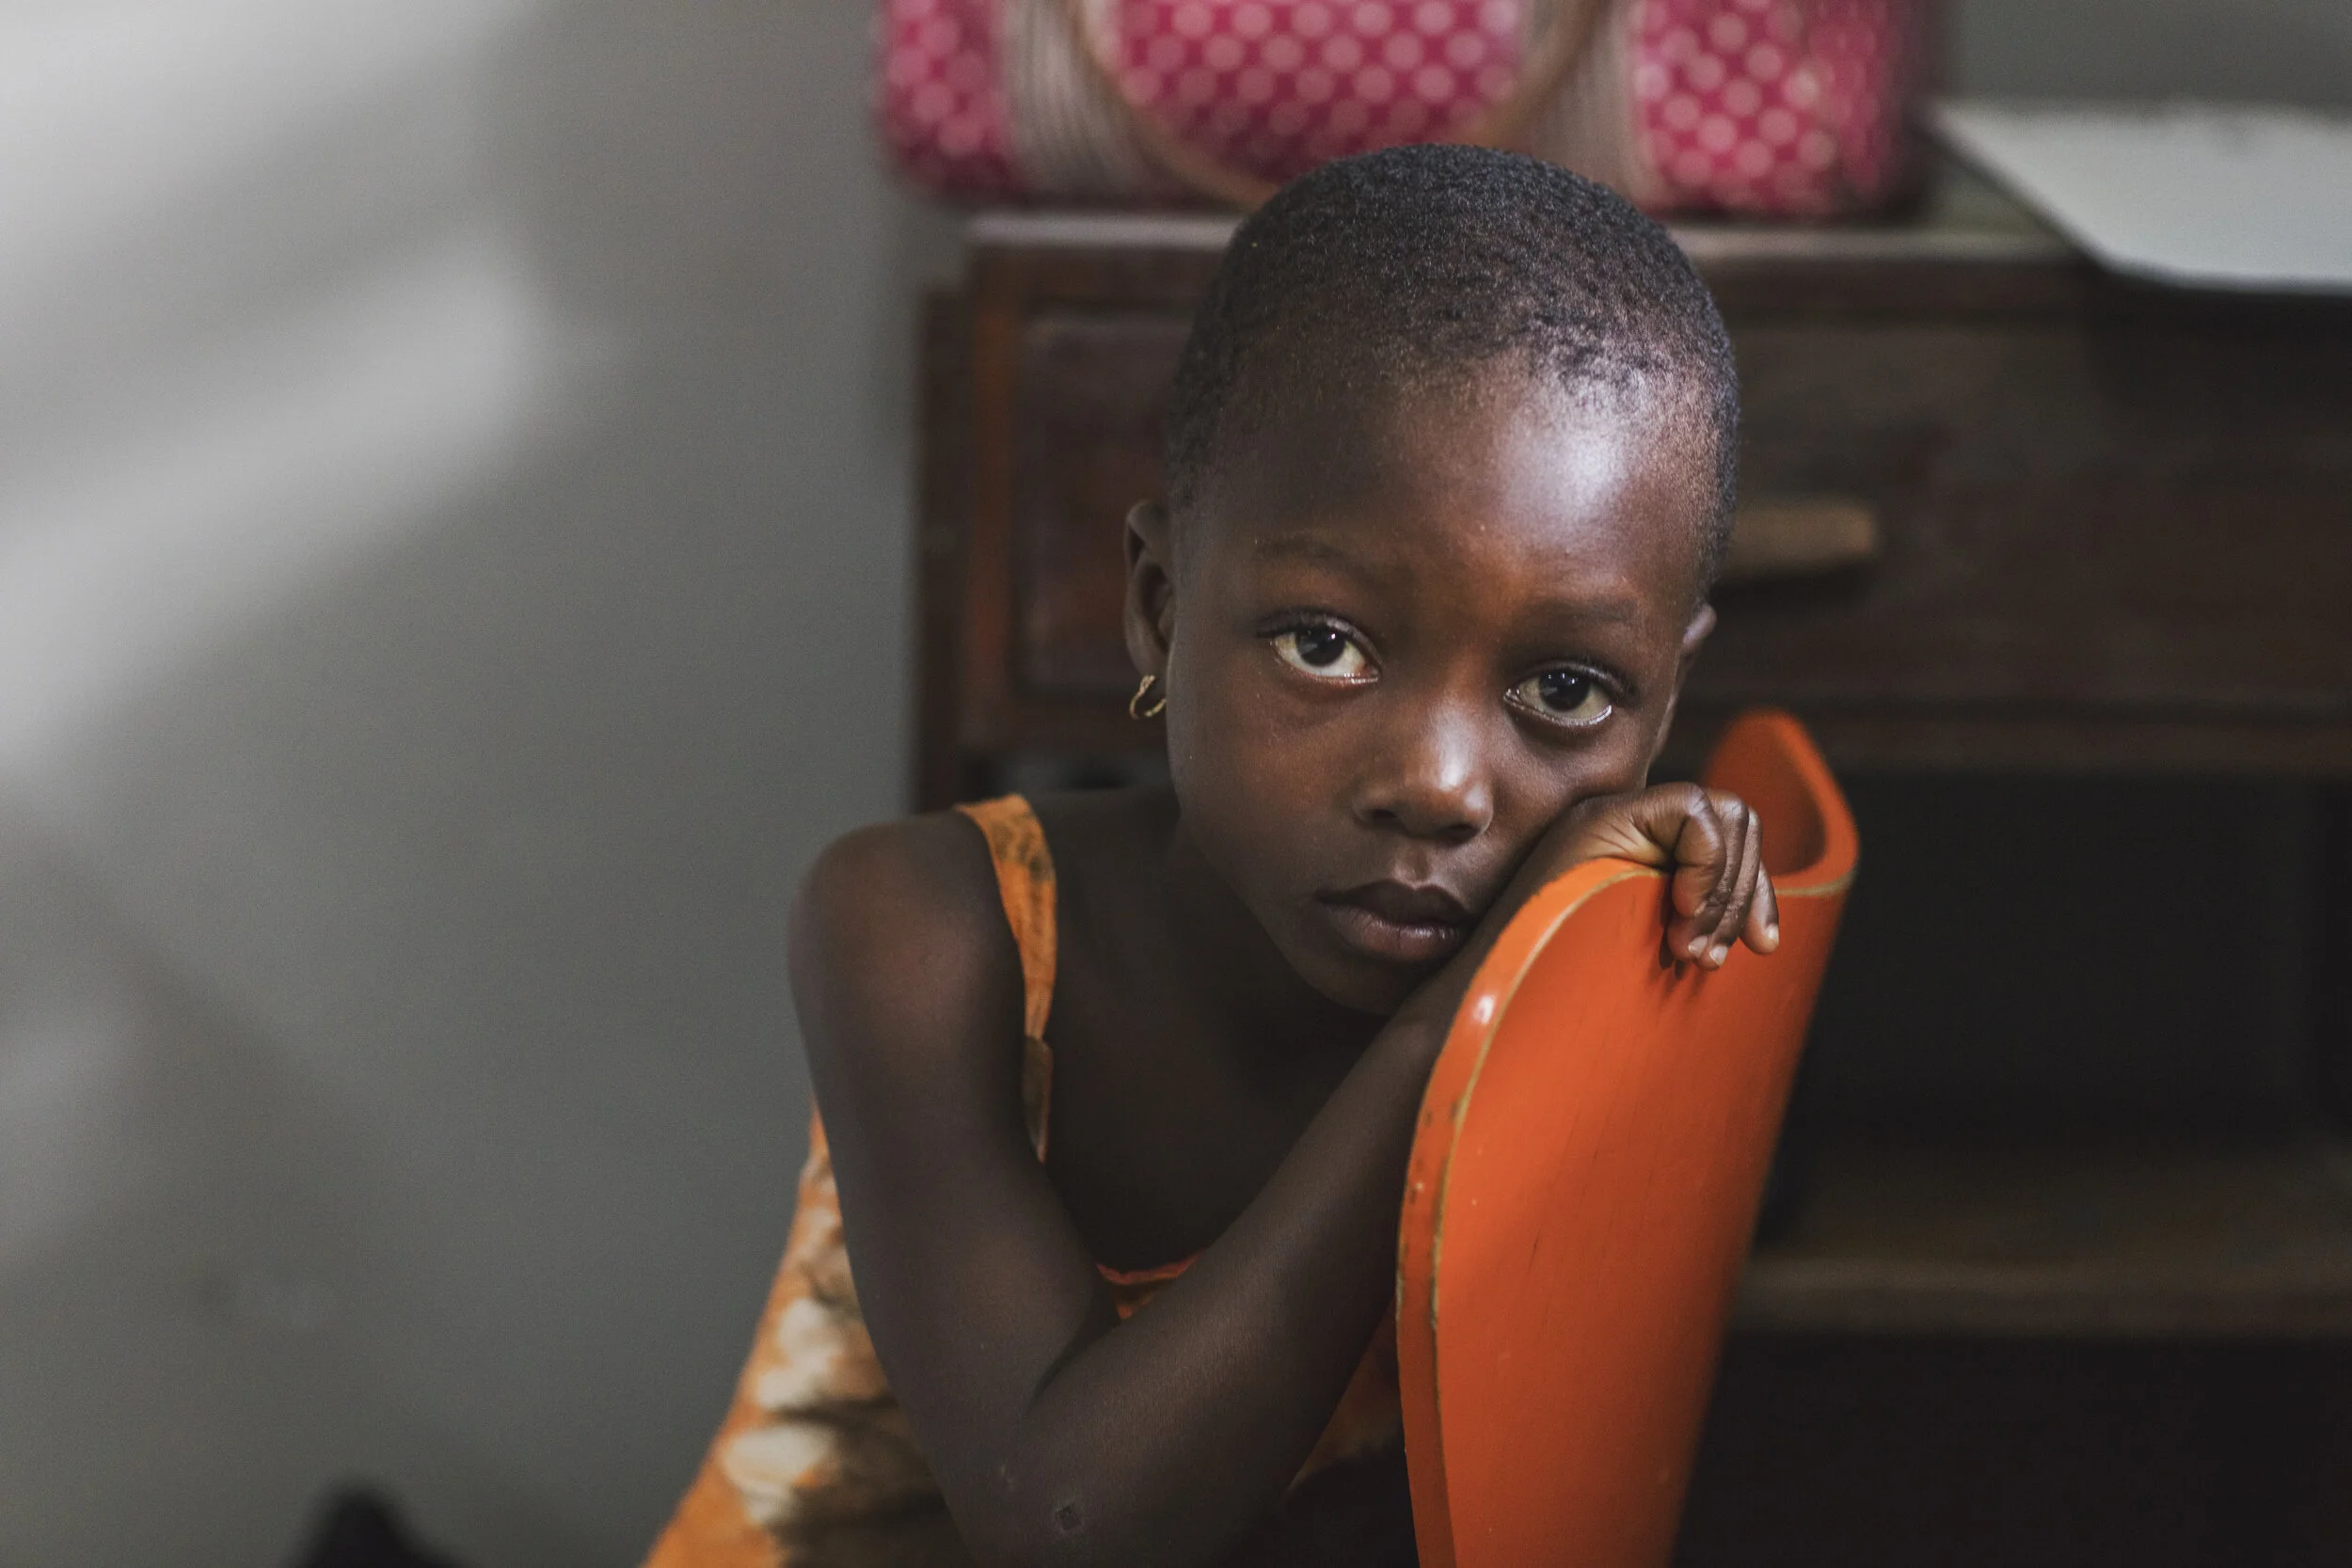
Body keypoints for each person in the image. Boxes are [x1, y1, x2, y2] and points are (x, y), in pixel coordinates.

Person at [645, 144, 1779, 1568]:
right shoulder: (924, 929)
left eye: (1565, 689)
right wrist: (1449, 1036)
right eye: (1325, 645)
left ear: (1665, 703)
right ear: (1159, 602)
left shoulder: (1621, 965)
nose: (1438, 787)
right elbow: (1069, 1528)